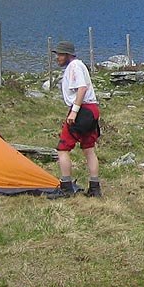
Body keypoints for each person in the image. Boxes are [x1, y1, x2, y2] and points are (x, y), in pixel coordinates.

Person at [49, 40, 102, 198]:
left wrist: (74, 111)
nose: (57, 57)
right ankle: (94, 188)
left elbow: (82, 88)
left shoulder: (74, 66)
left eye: (59, 54)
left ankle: (66, 188)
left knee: (63, 148)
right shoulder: (78, 66)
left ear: (67, 55)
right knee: (88, 148)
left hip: (82, 110)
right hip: (92, 109)